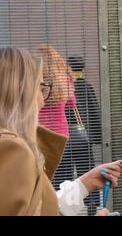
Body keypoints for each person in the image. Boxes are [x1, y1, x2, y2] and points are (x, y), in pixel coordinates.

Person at [0, 46, 121, 216]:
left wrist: (83, 184)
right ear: (21, 94)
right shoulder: (13, 148)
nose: (42, 100)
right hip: (65, 133)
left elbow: (38, 207)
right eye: (40, 88)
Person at [35, 45, 78, 191]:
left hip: (42, 133)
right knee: (63, 175)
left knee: (44, 173)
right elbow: (72, 103)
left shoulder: (38, 81)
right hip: (61, 133)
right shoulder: (64, 79)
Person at [66, 56, 101, 215]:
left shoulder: (63, 88)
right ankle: (92, 202)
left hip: (64, 136)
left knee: (65, 172)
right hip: (82, 136)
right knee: (86, 170)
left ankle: (66, 205)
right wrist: (96, 137)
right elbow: (94, 111)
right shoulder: (86, 86)